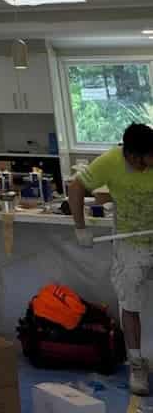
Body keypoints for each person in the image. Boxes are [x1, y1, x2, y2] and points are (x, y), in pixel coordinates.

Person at [69, 121, 153, 396]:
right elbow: (77, 187)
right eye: (142, 162)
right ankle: (138, 365)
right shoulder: (111, 161)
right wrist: (80, 228)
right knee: (130, 304)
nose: (147, 167)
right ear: (129, 154)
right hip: (130, 242)